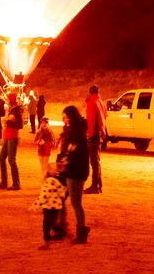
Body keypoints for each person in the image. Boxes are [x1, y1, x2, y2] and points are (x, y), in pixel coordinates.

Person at [56, 105, 90, 244]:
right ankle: (61, 229)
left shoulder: (78, 131)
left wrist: (65, 160)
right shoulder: (71, 130)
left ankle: (81, 234)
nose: (65, 120)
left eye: (67, 117)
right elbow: (67, 149)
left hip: (76, 171)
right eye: (63, 117)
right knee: (60, 199)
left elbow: (75, 151)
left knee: (76, 203)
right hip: (69, 169)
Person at [0, 91, 22, 190]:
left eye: (8, 99)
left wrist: (8, 122)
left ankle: (16, 183)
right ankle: (4, 181)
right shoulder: (12, 109)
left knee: (11, 159)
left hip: (13, 137)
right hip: (7, 136)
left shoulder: (16, 110)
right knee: (2, 158)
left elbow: (20, 125)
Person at [84, 84, 105, 193]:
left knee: (94, 161)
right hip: (100, 133)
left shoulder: (92, 102)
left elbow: (91, 120)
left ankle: (95, 186)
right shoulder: (101, 102)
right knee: (96, 160)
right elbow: (104, 116)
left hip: (94, 134)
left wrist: (89, 135)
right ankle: (99, 185)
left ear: (90, 92)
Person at [35, 115, 54, 179]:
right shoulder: (38, 131)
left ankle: (45, 178)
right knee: (42, 166)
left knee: (45, 166)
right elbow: (35, 141)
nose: (43, 124)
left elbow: (52, 142)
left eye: (45, 123)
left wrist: (45, 143)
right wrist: (38, 142)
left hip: (47, 150)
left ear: (47, 123)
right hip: (40, 150)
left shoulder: (49, 132)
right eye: (42, 123)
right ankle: (45, 178)